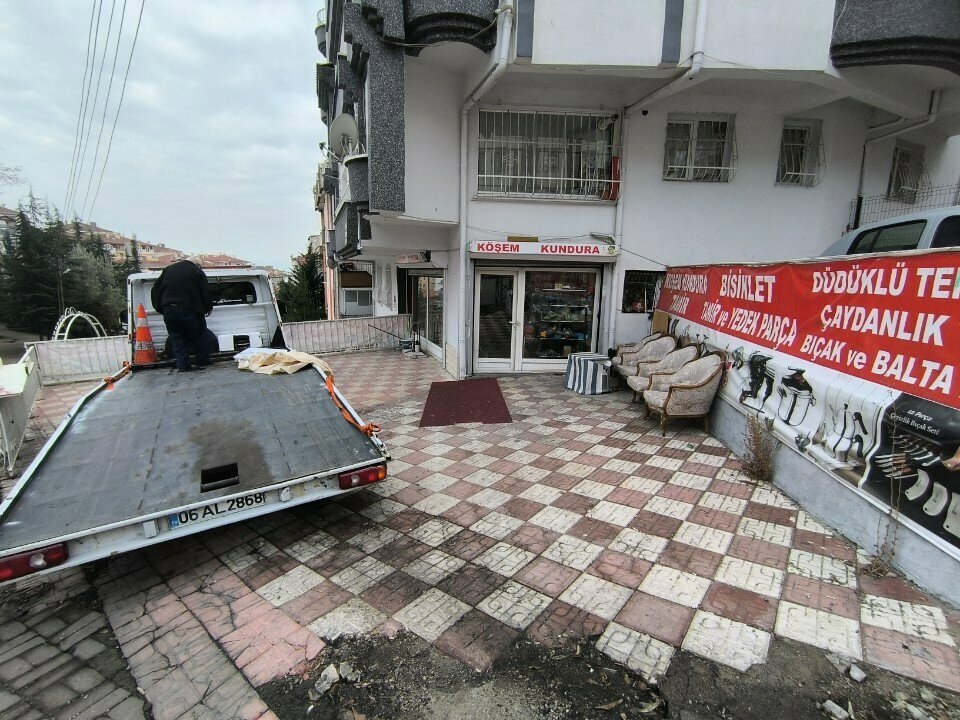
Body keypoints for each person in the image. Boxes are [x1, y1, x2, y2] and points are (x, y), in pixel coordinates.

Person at [150, 256, 214, 372]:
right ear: (197, 265)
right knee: (198, 335)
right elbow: (205, 291)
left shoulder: (168, 269)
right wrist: (208, 307)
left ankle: (183, 365)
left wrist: (160, 307)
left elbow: (155, 288)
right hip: (189, 310)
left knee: (177, 337)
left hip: (169, 310)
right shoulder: (196, 271)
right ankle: (202, 360)